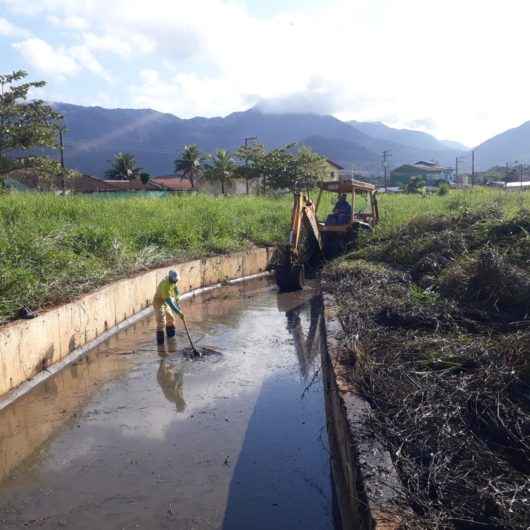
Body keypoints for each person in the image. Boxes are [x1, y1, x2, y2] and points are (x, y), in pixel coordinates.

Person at [153, 270, 184, 345]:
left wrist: (177, 298)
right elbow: (170, 303)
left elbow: (176, 290)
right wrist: (179, 313)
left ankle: (171, 339)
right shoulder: (165, 286)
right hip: (159, 302)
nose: (176, 281)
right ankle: (161, 345)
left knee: (171, 318)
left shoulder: (173, 281)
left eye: (177, 279)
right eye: (175, 280)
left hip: (166, 301)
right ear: (171, 278)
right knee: (161, 322)